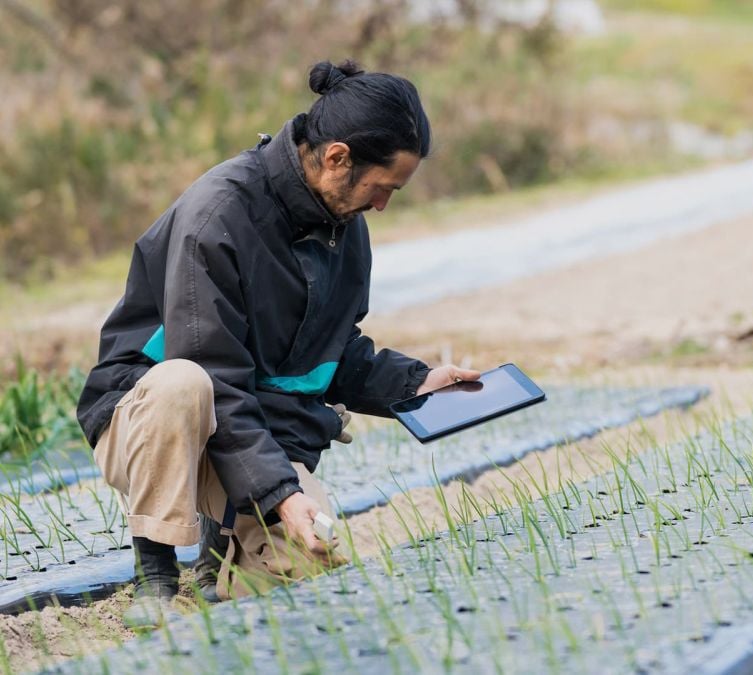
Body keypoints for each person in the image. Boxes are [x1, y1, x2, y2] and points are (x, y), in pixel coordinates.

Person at [75, 59, 480, 628]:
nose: (383, 204)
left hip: (246, 430)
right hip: (151, 420)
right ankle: (156, 568)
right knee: (181, 383)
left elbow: (329, 352)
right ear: (338, 158)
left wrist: (417, 383)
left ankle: (222, 548)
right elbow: (212, 374)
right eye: (382, 188)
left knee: (305, 575)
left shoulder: (343, 228)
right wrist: (282, 494)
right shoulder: (216, 216)